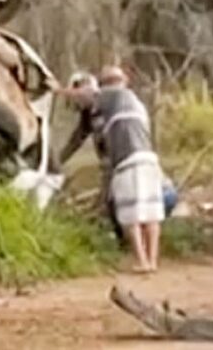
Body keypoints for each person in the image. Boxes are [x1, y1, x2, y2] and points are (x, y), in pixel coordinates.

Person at [59, 66, 167, 273]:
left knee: (130, 215)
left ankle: (142, 260)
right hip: (141, 160)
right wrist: (57, 160)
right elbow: (76, 140)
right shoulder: (113, 106)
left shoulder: (115, 97)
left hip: (127, 161)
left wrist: (58, 90)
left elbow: (89, 96)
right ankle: (149, 260)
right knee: (147, 212)